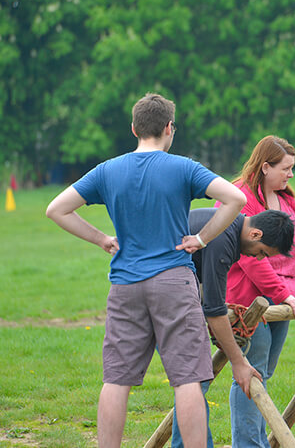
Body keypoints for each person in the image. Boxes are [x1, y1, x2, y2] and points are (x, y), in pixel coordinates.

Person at [45, 93, 248, 448]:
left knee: (116, 380)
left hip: (125, 285)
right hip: (173, 281)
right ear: (169, 128)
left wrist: (102, 239)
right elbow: (236, 199)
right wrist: (201, 238)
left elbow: (56, 209)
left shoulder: (107, 170)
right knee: (186, 379)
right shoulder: (184, 167)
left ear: (134, 128)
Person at [216, 135, 295, 448]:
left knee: (265, 372)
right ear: (264, 167)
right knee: (252, 371)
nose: (291, 174)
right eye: (285, 168)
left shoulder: (288, 200)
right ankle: (249, 444)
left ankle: (255, 439)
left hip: (286, 300)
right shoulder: (237, 197)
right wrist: (282, 294)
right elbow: (249, 258)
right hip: (249, 301)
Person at [171, 207, 295, 448]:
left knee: (193, 382)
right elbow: (214, 309)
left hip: (170, 286)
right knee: (193, 382)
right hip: (161, 291)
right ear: (256, 234)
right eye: (262, 253)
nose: (259, 259)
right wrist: (238, 362)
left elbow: (209, 296)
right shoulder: (223, 237)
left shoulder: (228, 226)